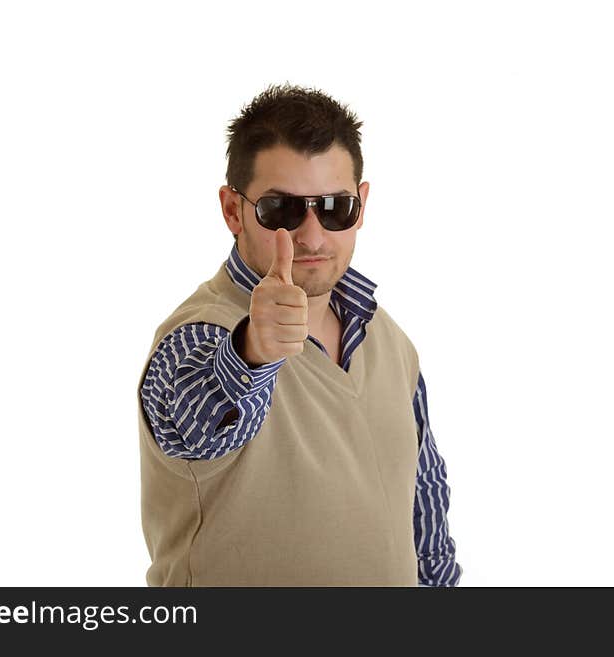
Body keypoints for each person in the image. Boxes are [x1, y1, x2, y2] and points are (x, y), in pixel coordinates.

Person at [136, 82, 462, 587]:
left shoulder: (389, 341)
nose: (311, 236)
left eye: (334, 207)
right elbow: (194, 421)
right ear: (233, 210)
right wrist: (251, 353)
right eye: (281, 210)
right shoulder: (198, 334)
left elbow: (425, 505)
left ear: (362, 204)